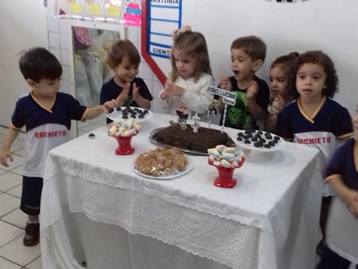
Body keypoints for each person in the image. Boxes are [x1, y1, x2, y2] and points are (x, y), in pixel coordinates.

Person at [0, 47, 119, 247]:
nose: (57, 85)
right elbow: (14, 127)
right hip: (35, 164)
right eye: (51, 82)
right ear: (32, 83)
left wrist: (101, 108)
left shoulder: (65, 101)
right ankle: (32, 223)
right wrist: (5, 148)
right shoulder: (24, 104)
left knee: (60, 191)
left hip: (60, 160)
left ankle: (60, 220)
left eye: (58, 80)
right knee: (33, 197)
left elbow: (85, 113)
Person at [274, 50, 353, 255]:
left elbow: (349, 147)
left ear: (326, 82)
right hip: (301, 178)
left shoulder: (337, 112)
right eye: (302, 77)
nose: (308, 82)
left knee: (326, 222)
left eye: (316, 77)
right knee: (302, 220)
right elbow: (283, 148)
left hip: (329, 181)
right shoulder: (289, 113)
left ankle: (326, 249)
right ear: (295, 80)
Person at [316, 105, 358, 269]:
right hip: (341, 230)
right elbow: (332, 173)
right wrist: (348, 195)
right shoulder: (347, 148)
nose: (356, 119)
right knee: (331, 263)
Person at [158, 25, 214, 120]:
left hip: (195, 130)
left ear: (199, 60)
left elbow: (204, 107)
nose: (180, 65)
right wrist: (164, 95)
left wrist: (183, 93)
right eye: (177, 60)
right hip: (173, 126)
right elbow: (165, 106)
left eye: (185, 61)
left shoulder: (206, 80)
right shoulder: (174, 76)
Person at [217, 35, 270, 130]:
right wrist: (225, 94)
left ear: (256, 65)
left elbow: (259, 116)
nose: (234, 64)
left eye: (240, 60)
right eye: (232, 59)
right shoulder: (227, 83)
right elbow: (217, 110)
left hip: (247, 137)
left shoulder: (261, 86)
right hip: (224, 134)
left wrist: (250, 99)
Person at [100, 39, 153, 124]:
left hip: (138, 126)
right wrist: (121, 98)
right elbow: (108, 111)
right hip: (116, 129)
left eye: (135, 67)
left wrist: (138, 97)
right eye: (127, 68)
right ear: (114, 66)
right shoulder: (107, 88)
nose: (132, 72)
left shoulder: (139, 83)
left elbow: (147, 107)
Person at [265, 52, 298, 132]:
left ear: (294, 80)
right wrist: (274, 114)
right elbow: (268, 129)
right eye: (271, 80)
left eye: (280, 80)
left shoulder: (299, 103)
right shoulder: (273, 101)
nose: (273, 85)